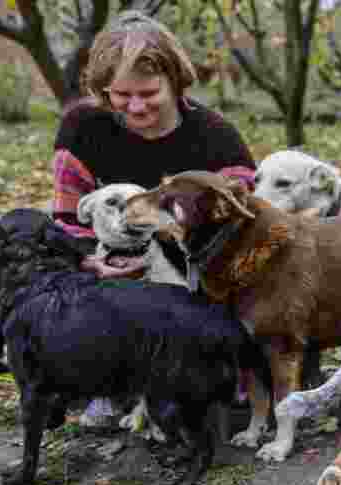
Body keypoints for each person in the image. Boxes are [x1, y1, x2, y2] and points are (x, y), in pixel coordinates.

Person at [52, 10, 255, 427]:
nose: (136, 106)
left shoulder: (216, 137)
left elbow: (249, 226)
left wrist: (165, 263)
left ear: (175, 81)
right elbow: (68, 220)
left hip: (196, 272)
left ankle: (226, 375)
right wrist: (91, 262)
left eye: (148, 92)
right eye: (121, 95)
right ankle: (106, 384)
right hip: (107, 267)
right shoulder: (81, 128)